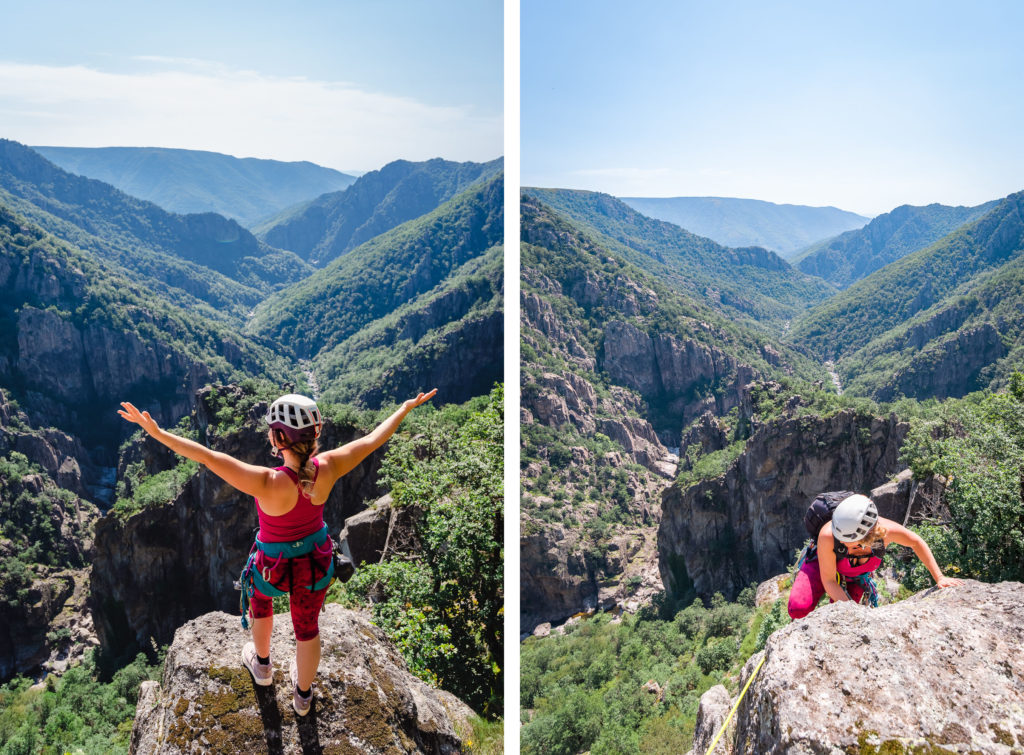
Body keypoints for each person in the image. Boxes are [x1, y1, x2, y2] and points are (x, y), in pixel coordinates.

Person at [118, 388, 436, 715]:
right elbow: (372, 440)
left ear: (280, 437)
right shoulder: (329, 466)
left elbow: (207, 457)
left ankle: (263, 665)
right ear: (315, 433)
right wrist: (403, 409)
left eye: (273, 430)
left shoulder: (268, 482)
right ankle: (302, 697)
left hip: (273, 568)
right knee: (307, 629)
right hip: (315, 565)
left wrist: (156, 433)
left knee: (259, 600)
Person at [788, 493, 961, 619]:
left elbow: (916, 542)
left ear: (860, 539)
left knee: (845, 622)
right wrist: (853, 611)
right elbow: (830, 581)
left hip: (854, 577)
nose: (836, 537)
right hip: (822, 566)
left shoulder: (886, 532)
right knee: (798, 609)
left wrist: (939, 577)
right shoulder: (828, 535)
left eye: (842, 538)